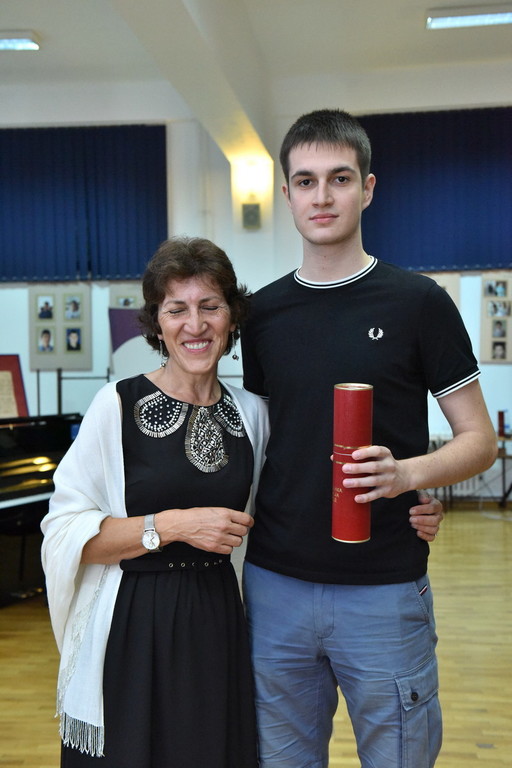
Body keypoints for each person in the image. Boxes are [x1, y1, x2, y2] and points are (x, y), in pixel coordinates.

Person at [240, 109, 498, 768]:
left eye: (339, 178)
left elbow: (479, 440)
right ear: (287, 193)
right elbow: (265, 443)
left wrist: (410, 476)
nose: (322, 196)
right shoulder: (261, 314)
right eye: (305, 181)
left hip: (384, 587)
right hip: (275, 587)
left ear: (368, 188)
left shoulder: (418, 302)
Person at [41, 237, 269, 768]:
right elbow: (66, 532)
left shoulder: (254, 414)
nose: (195, 324)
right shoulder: (115, 405)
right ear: (157, 323)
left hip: (218, 620)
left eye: (210, 306)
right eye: (177, 309)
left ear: (232, 317)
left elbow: (289, 507)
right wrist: (171, 525)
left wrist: (408, 507)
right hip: (133, 623)